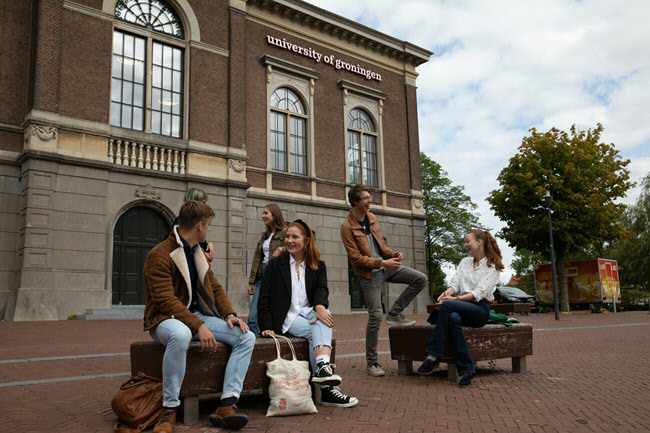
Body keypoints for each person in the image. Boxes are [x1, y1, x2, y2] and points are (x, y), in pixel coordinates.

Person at [143, 200, 256, 432]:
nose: (208, 230)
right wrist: (197, 326)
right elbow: (165, 301)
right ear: (200, 225)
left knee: (246, 336)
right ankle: (169, 409)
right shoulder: (160, 254)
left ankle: (227, 404)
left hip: (196, 317)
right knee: (182, 335)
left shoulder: (198, 253)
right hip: (165, 319)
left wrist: (230, 314)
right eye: (209, 226)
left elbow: (215, 288)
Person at [258, 219, 359, 408]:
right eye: (287, 236)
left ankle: (322, 370)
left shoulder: (318, 265)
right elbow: (263, 297)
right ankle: (327, 386)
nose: (289, 240)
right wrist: (266, 326)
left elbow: (322, 289)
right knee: (320, 328)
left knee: (323, 315)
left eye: (294, 237)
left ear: (306, 241)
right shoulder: (275, 265)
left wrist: (320, 305)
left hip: (308, 313)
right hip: (287, 317)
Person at [340, 184, 428, 377]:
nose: (370, 200)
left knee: (420, 279)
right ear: (355, 202)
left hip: (386, 266)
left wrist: (392, 254)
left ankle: (395, 313)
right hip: (369, 274)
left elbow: (381, 244)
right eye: (366, 198)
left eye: (369, 197)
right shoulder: (346, 227)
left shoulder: (371, 218)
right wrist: (383, 262)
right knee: (375, 316)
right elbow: (356, 258)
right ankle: (372, 363)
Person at [416, 229, 504, 387]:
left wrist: (453, 299)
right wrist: (447, 293)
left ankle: (433, 356)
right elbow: (455, 284)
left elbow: (478, 293)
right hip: (459, 307)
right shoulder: (464, 262)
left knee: (448, 306)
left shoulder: (492, 266)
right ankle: (467, 370)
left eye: (467, 241)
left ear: (479, 242)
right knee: (452, 318)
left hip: (479, 309)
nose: (465, 245)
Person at [247, 204, 287, 335]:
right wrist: (252, 281)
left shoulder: (285, 232)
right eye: (263, 213)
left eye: (266, 213)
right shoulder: (264, 236)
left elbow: (296, 248)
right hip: (262, 276)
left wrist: (282, 250)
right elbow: (257, 257)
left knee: (273, 314)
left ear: (274, 214)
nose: (263, 216)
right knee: (253, 316)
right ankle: (256, 344)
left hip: (277, 277)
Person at [172, 188, 215, 263]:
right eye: (203, 203)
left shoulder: (198, 220)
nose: (205, 206)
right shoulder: (181, 221)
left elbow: (198, 241)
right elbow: (183, 245)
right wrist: (202, 255)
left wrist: (208, 244)